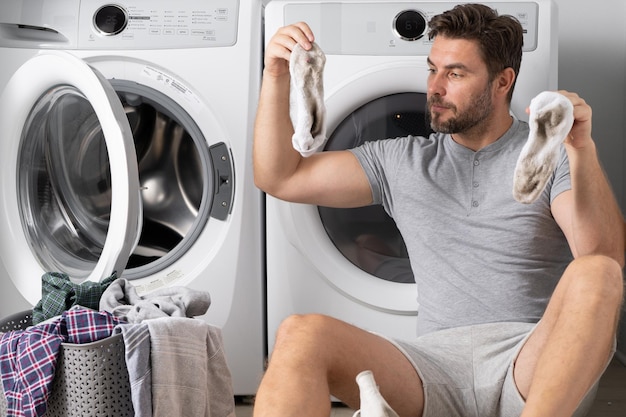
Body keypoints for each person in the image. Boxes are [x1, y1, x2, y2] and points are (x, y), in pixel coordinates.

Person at [253, 4, 624, 417]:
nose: (435, 87)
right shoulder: (401, 161)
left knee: (597, 271)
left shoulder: (549, 156)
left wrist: (581, 149)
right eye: (432, 69)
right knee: (299, 333)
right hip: (431, 366)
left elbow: (604, 257)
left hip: (530, 364)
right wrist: (275, 75)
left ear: (503, 82)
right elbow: (280, 178)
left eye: (456, 74)